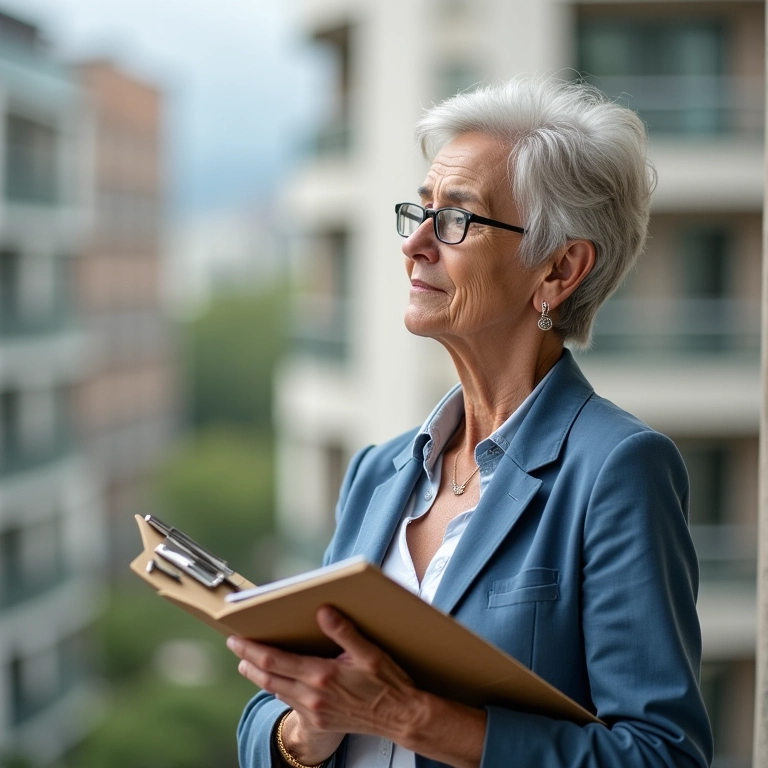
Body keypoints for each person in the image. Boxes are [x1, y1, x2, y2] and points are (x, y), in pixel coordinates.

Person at [227, 76, 714, 768]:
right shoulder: (378, 471)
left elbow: (662, 757)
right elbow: (271, 722)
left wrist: (413, 718)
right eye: (420, 210)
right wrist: (305, 730)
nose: (416, 243)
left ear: (559, 269)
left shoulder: (619, 469)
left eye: (457, 219)